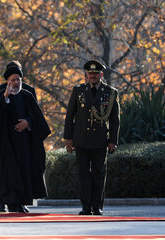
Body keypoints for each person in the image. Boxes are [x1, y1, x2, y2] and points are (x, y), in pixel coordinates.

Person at [0, 64, 51, 213]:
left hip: (23, 142)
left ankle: (21, 202)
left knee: (24, 171)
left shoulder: (27, 95)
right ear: (7, 81)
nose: (16, 82)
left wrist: (28, 122)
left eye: (18, 79)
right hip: (6, 142)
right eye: (13, 80)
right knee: (9, 173)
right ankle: (10, 202)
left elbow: (37, 115)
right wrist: (5, 98)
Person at [64, 60, 120, 215]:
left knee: (99, 173)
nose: (93, 76)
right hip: (81, 139)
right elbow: (70, 116)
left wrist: (113, 141)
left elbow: (115, 119)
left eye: (96, 74)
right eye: (90, 74)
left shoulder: (110, 92)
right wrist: (68, 138)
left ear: (101, 75)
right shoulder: (78, 91)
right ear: (86, 75)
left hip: (100, 139)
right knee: (83, 173)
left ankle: (97, 206)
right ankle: (86, 207)